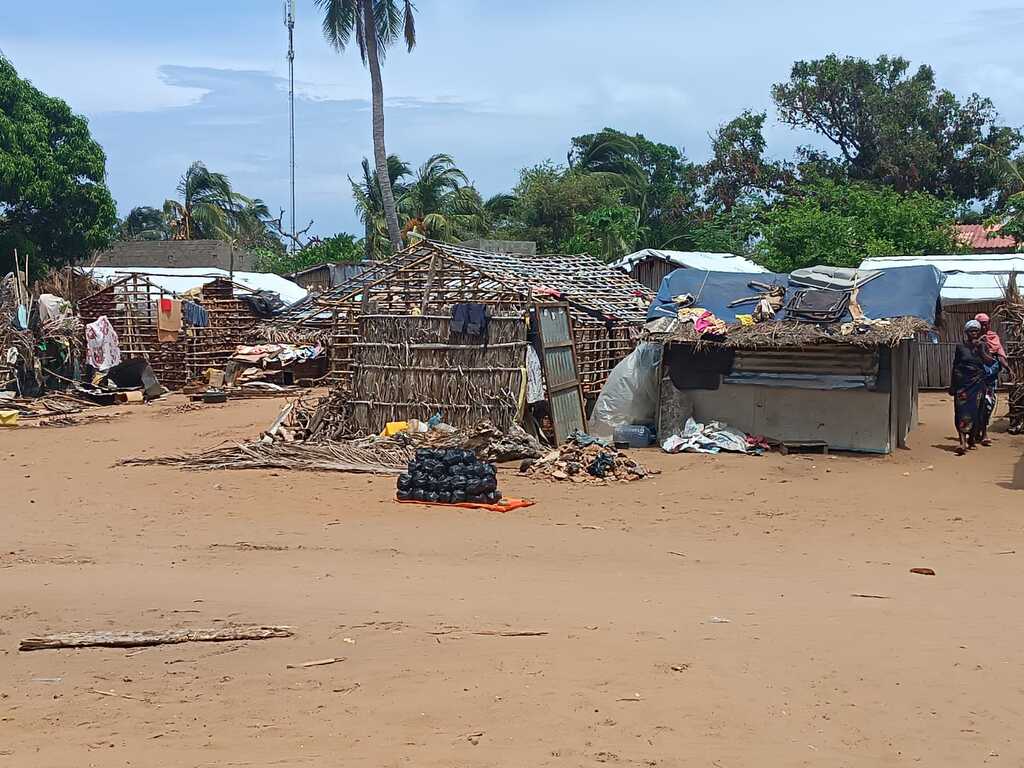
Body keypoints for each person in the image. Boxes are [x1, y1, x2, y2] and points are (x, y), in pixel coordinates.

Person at [949, 319, 993, 455]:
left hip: (978, 383)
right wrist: (952, 385)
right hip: (962, 384)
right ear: (966, 332)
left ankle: (972, 439)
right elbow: (955, 366)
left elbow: (990, 362)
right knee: (961, 411)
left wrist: (981, 350)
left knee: (976, 412)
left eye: (976, 331)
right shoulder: (960, 347)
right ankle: (962, 442)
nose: (974, 333)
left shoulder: (983, 346)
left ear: (979, 332)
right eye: (971, 331)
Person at [975, 312, 1008, 444]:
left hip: (991, 377)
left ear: (989, 324)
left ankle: (983, 431)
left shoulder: (993, 337)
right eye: (981, 325)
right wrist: (979, 344)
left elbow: (999, 354)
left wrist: (1008, 368)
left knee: (989, 403)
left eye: (986, 324)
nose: (984, 328)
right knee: (977, 404)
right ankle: (979, 432)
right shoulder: (972, 338)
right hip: (976, 377)